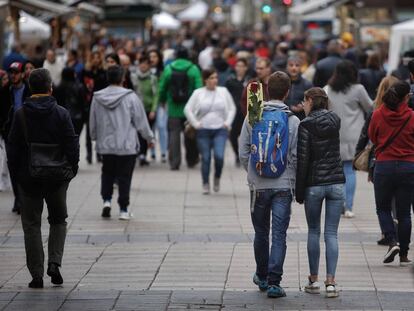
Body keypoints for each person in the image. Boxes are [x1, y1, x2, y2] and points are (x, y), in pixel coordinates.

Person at [6, 68, 79, 288]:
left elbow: (12, 150)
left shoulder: (20, 114)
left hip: (29, 178)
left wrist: (17, 177)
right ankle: (55, 263)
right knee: (58, 220)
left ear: (30, 87)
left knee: (31, 225)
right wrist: (71, 170)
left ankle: (36, 274)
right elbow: (72, 145)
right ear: (50, 87)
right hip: (57, 178)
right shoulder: (61, 113)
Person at [239, 71, 300, 298]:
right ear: (287, 92)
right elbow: (295, 155)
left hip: (258, 187)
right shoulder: (293, 120)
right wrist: (290, 179)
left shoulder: (252, 116)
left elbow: (244, 150)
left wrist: (254, 173)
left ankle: (262, 275)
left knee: (261, 232)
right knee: (279, 234)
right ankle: (275, 282)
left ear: (267, 90)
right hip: (283, 186)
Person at [295, 87, 345, 298]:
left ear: (309, 101)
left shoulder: (305, 125)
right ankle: (331, 282)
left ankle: (313, 279)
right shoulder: (335, 120)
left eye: (304, 102)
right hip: (336, 182)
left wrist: (299, 191)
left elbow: (303, 159)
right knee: (331, 233)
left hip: (314, 184)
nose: (303, 106)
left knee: (314, 231)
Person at [89, 65, 154, 220]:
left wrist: (93, 136)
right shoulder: (131, 97)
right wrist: (149, 137)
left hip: (106, 144)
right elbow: (141, 121)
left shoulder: (97, 98)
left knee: (107, 172)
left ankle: (106, 201)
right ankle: (123, 209)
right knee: (125, 177)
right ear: (123, 78)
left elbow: (93, 119)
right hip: (127, 145)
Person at [368, 80, 414, 266]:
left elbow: (373, 137)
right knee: (404, 213)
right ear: (405, 98)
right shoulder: (412, 116)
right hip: (408, 167)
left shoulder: (378, 114)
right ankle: (404, 254)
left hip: (384, 166)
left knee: (383, 208)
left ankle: (391, 240)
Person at [325, 60, 372, 218]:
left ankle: (339, 203)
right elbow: (370, 108)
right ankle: (348, 206)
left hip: (334, 134)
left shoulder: (327, 89)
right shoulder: (358, 89)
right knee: (349, 171)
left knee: (336, 172)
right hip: (354, 135)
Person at [355, 75, 399, 245]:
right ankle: (397, 231)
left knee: (382, 201)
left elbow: (366, 135)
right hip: (404, 161)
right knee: (398, 200)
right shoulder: (406, 112)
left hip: (379, 160)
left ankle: (387, 233)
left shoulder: (374, 112)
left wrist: (358, 155)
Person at [184, 69, 236, 194]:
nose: (214, 80)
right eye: (211, 78)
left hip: (220, 130)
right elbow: (187, 109)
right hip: (203, 131)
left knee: (219, 156)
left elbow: (232, 108)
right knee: (206, 158)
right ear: (205, 80)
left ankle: (217, 177)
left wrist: (227, 123)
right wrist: (196, 124)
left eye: (216, 78)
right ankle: (205, 182)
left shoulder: (223, 92)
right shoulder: (198, 93)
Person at [158, 46, 202, 170]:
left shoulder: (168, 69)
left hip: (173, 108)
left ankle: (174, 162)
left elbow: (162, 88)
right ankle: (191, 160)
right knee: (190, 134)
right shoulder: (193, 69)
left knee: (174, 135)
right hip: (190, 110)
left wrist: (162, 101)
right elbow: (199, 88)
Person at [3, 62, 32, 214]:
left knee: (25, 166)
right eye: (11, 72)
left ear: (22, 74)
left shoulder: (29, 90)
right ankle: (18, 197)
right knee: (13, 167)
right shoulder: (5, 91)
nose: (13, 75)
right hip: (10, 135)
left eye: (16, 72)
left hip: (26, 135)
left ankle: (24, 198)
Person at [83, 51, 108, 164]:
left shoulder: (103, 72)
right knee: (89, 130)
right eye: (94, 57)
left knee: (101, 129)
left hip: (100, 103)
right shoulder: (86, 72)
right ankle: (89, 154)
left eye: (98, 57)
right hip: (88, 103)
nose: (96, 60)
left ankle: (99, 153)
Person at [225, 58, 250, 166]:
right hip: (234, 112)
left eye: (242, 66)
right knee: (233, 135)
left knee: (246, 135)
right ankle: (237, 154)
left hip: (246, 113)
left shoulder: (249, 81)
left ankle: (245, 155)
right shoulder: (230, 81)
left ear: (246, 68)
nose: (239, 68)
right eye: (238, 66)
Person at [134, 55, 158, 166]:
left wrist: (153, 110)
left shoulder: (153, 78)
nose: (143, 65)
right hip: (136, 111)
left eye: (146, 63)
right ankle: (139, 153)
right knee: (137, 132)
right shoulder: (133, 77)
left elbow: (155, 95)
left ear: (149, 65)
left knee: (145, 133)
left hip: (148, 111)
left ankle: (143, 154)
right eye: (141, 63)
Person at [54, 67, 87, 136]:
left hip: (62, 117)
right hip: (77, 117)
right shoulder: (79, 87)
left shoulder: (58, 88)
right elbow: (83, 103)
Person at [149, 49, 168, 162]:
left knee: (161, 126)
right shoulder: (146, 70)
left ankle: (164, 152)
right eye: (150, 56)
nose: (152, 59)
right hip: (149, 104)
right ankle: (152, 152)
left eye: (155, 56)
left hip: (161, 103)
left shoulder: (163, 71)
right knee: (151, 129)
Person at [285, 56, 313, 120]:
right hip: (284, 118)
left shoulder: (307, 84)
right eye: (291, 65)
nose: (294, 68)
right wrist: (289, 106)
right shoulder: (282, 83)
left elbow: (312, 102)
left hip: (301, 119)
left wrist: (303, 106)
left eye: (297, 65)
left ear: (301, 67)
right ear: (287, 67)